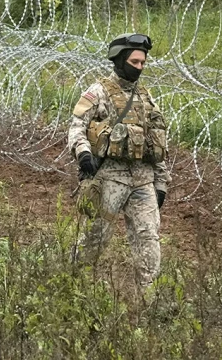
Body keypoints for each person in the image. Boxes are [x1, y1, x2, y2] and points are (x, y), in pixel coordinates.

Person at [68, 33, 171, 290]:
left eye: (143, 63)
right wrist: (83, 154)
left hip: (142, 181)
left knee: (149, 240)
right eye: (135, 62)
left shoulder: (146, 98)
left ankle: (148, 297)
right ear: (120, 59)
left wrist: (161, 183)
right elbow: (77, 127)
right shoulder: (98, 92)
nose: (139, 67)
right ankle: (75, 287)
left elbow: (157, 143)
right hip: (109, 179)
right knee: (94, 238)